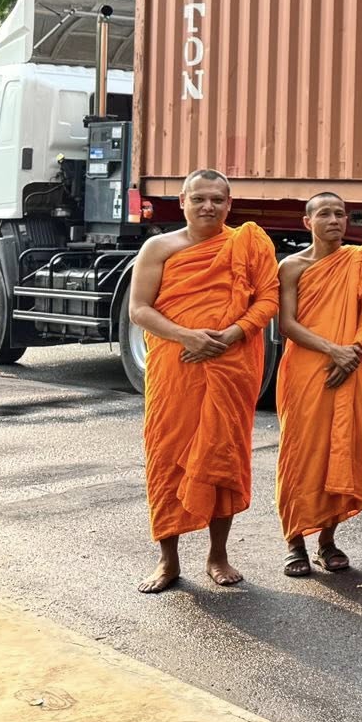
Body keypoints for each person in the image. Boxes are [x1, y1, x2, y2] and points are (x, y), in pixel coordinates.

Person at [130, 168, 280, 593]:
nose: (208, 206)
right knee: (167, 455)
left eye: (217, 199)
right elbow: (139, 309)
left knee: (222, 455)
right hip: (175, 368)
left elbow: (269, 298)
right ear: (183, 202)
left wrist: (231, 334)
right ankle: (168, 560)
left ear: (229, 204)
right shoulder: (159, 247)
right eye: (198, 199)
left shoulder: (247, 243)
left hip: (230, 365)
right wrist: (187, 336)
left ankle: (218, 555)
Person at [274, 191, 362, 578]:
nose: (334, 220)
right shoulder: (292, 266)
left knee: (340, 448)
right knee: (301, 452)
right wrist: (333, 350)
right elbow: (288, 323)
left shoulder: (359, 259)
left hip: (350, 364)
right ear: (308, 222)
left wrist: (354, 352)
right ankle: (295, 541)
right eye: (325, 214)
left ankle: (327, 541)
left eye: (340, 214)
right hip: (307, 366)